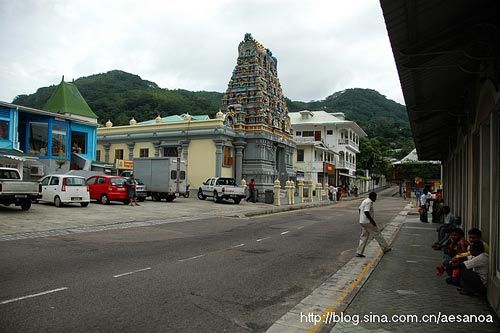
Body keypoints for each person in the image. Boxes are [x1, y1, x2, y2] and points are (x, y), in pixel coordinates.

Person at [356, 192, 392, 258]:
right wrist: (372, 221)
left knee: (364, 236)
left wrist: (361, 217)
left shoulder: (365, 201)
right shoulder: (369, 202)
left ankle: (359, 252)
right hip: (368, 222)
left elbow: (359, 209)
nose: (376, 198)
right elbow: (366, 211)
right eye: (375, 197)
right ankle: (385, 248)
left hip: (362, 222)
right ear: (372, 197)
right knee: (377, 234)